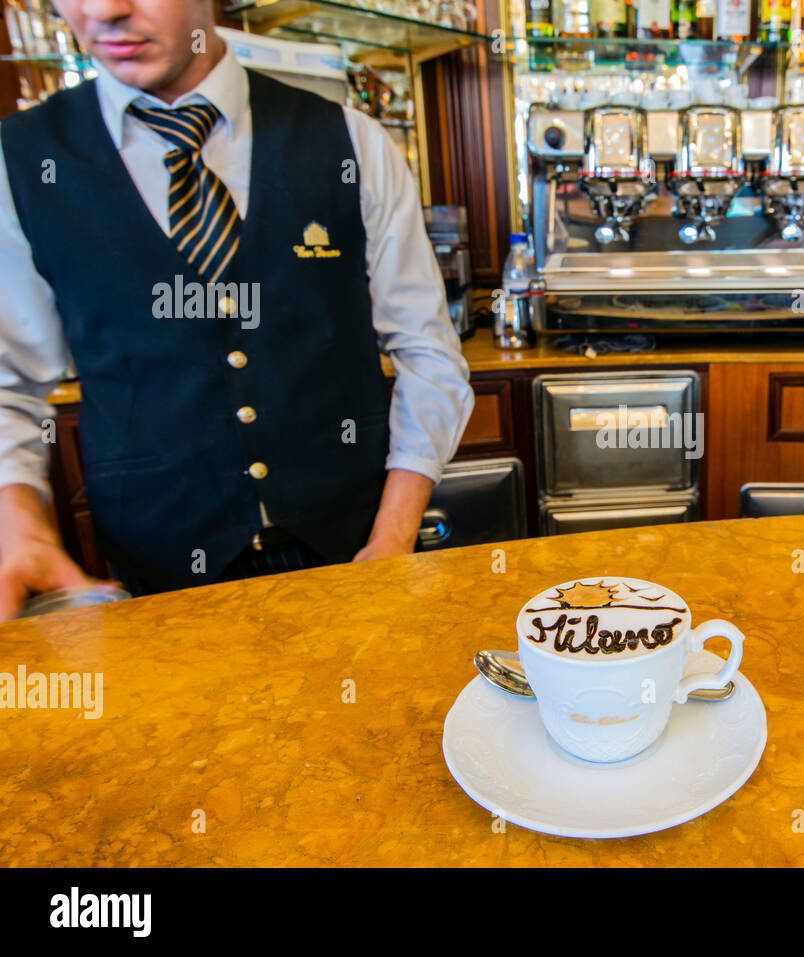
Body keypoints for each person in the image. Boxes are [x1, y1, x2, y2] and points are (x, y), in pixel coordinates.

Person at [0, 0, 475, 618]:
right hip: (160, 578)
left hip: (353, 554)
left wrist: (392, 535)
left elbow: (429, 352)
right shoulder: (22, 164)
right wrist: (18, 521)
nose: (106, 11)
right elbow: (11, 384)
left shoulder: (351, 142)